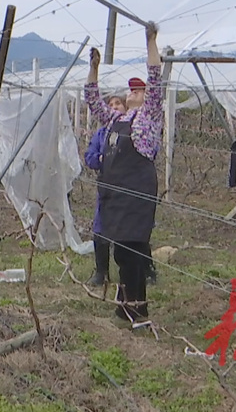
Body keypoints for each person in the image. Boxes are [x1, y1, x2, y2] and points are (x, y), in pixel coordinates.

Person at [84, 24, 163, 327]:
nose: (132, 92)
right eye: (130, 89)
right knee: (123, 252)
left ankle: (137, 312)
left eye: (137, 90)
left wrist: (151, 42)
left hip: (136, 194)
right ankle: (126, 307)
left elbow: (155, 77)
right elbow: (93, 101)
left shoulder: (149, 118)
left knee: (132, 252)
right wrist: (94, 68)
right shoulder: (117, 118)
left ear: (146, 98)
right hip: (116, 195)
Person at [83, 95, 125, 287]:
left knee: (129, 229)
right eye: (111, 104)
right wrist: (101, 159)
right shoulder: (101, 134)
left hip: (128, 187)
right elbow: (90, 157)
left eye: (118, 103)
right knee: (101, 227)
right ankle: (101, 272)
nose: (115, 107)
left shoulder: (132, 131)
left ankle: (140, 269)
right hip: (106, 186)